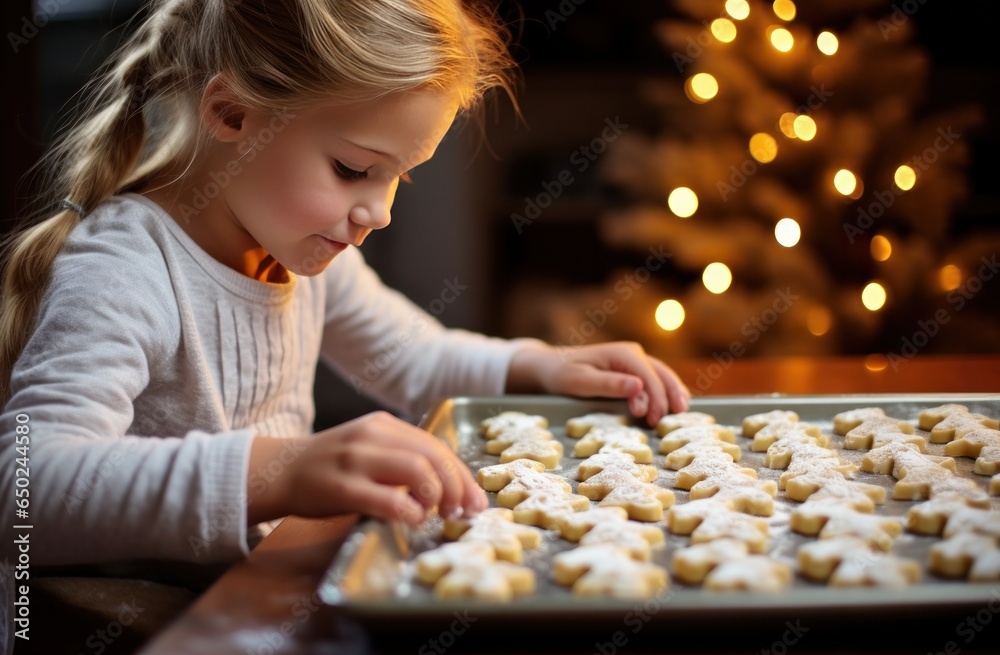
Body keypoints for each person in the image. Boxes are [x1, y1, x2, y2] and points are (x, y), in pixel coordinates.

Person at [0, 0, 689, 568]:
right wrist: (281, 472)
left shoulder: (298, 254)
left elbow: (418, 359)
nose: (379, 213)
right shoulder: (126, 269)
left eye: (399, 176)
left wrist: (540, 364)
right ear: (233, 114)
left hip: (256, 594)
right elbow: (24, 491)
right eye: (355, 169)